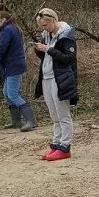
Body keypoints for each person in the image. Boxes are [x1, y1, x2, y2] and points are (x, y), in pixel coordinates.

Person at [33, 9, 77, 161]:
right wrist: (39, 49)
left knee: (63, 114)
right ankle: (56, 144)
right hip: (46, 77)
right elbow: (45, 56)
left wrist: (49, 50)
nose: (44, 28)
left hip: (61, 78)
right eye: (42, 26)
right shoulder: (46, 35)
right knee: (54, 115)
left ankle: (65, 146)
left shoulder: (66, 36)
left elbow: (69, 58)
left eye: (45, 25)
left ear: (53, 20)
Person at [0, 11, 36, 132]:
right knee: (6, 93)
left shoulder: (8, 30)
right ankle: (16, 121)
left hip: (14, 66)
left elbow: (1, 48)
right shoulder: (11, 28)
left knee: (13, 94)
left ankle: (31, 121)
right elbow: (6, 49)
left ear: (3, 20)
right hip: (11, 65)